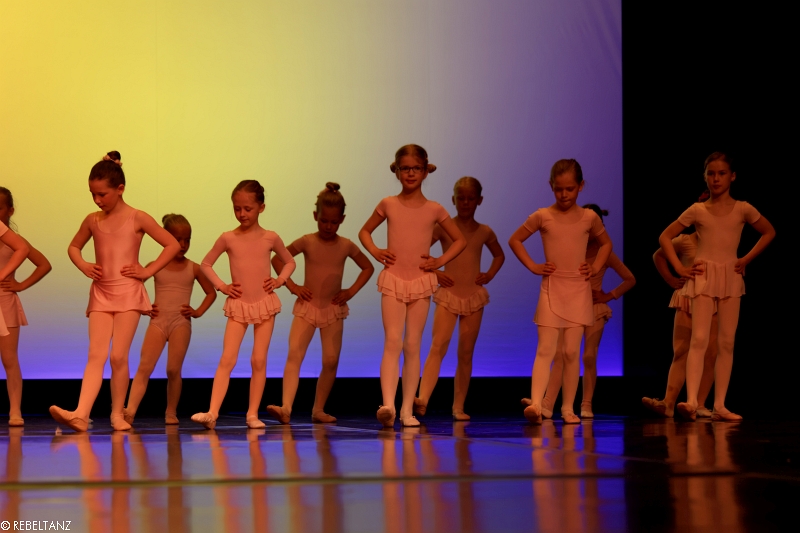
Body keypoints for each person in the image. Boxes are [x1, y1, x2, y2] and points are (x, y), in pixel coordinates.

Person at [50, 151, 180, 431]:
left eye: (102, 194)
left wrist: (147, 271)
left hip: (129, 293)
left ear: (120, 189)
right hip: (101, 293)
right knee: (96, 354)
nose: (97, 200)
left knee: (118, 356)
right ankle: (81, 414)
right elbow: (74, 247)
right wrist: (84, 265)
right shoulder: (92, 220)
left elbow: (172, 245)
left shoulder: (137, 217)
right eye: (93, 194)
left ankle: (117, 414)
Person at [659, 152, 775, 421]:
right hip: (703, 276)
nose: (716, 179)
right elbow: (664, 237)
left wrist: (746, 259)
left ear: (732, 176)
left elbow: (769, 231)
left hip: (730, 276)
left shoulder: (743, 208)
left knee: (726, 342)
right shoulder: (697, 210)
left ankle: (720, 405)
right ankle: (691, 401)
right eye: (711, 173)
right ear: (705, 177)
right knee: (699, 339)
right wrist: (679, 269)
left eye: (722, 173)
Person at [359, 144, 466, 427]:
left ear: (425, 171)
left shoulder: (434, 209)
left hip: (420, 281)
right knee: (393, 341)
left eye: (416, 168)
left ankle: (407, 410)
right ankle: (388, 406)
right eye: (405, 168)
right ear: (397, 171)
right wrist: (376, 251)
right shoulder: (388, 204)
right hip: (394, 278)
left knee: (413, 344)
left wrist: (439, 261)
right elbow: (365, 231)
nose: (410, 173)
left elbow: (460, 240)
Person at [508, 159, 612, 424]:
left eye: (570, 189)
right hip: (552, 287)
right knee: (545, 349)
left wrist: (595, 266)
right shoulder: (543, 215)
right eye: (558, 189)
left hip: (578, 289)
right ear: (551, 186)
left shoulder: (589, 217)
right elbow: (515, 239)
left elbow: (606, 244)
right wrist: (533, 266)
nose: (564, 194)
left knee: (570, 352)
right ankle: (535, 404)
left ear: (581, 186)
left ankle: (567, 408)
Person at [191, 180, 296, 430]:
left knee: (258, 360)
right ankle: (212, 412)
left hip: (264, 304)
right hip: (238, 303)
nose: (242, 214)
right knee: (227, 358)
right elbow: (206, 264)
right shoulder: (228, 238)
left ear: (261, 207)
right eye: (237, 208)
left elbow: (289, 262)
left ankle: (252, 414)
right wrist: (222, 286)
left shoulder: (270, 237)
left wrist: (280, 280)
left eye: (247, 208)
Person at [266, 183, 374, 424]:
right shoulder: (307, 241)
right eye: (324, 221)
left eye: (334, 222)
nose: (328, 226)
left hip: (333, 308)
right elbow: (277, 260)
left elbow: (367, 267)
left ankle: (318, 409)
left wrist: (351, 291)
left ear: (342, 220)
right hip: (307, 307)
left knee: (331, 360)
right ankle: (286, 408)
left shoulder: (346, 245)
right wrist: (293, 286)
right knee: (295, 354)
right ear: (315, 216)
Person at [414, 177, 505, 421]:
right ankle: (422, 400)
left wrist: (490, 274)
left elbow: (499, 255)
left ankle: (458, 406)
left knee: (466, 353)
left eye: (470, 198)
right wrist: (436, 272)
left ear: (479, 200)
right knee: (438, 346)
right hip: (449, 294)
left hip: (473, 295)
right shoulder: (444, 227)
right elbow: (420, 253)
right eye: (461, 198)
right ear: (453, 200)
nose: (465, 202)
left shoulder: (484, 231)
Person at [533, 204, 635, 419]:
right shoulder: (574, 247)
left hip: (594, 308)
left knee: (588, 355)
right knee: (563, 354)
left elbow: (630, 279)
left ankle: (586, 403)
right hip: (572, 305)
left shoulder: (604, 253)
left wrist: (608, 295)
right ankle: (547, 403)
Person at [124, 214, 216, 425]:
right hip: (158, 322)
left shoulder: (193, 267)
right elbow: (135, 286)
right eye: (177, 239)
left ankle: (171, 412)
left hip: (180, 323)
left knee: (173, 369)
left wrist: (198, 312)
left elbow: (211, 293)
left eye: (187, 240)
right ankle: (130, 411)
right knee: (145, 366)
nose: (183, 245)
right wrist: (144, 307)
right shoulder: (155, 265)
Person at [642, 228, 718, 418]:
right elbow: (659, 255)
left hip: (713, 299)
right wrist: (671, 278)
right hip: (688, 299)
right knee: (681, 351)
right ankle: (668, 403)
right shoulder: (685, 240)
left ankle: (699, 405)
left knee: (710, 354)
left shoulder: (720, 240)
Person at [0, 187, 35, 426]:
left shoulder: (15, 241)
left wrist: (20, 285)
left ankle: (15, 411)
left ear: (10, 210)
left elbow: (43, 264)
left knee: (9, 358)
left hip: (5, 301)